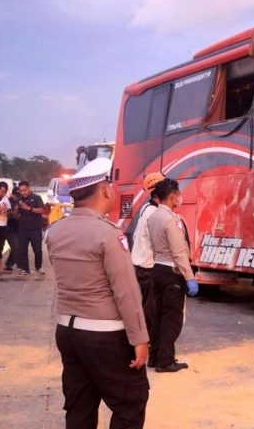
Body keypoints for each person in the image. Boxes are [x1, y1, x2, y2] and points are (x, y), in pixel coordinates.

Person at [46, 158, 150, 429]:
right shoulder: (108, 235)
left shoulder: (55, 231)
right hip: (105, 335)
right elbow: (126, 292)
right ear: (104, 190)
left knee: (80, 404)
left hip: (67, 331)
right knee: (130, 402)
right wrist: (139, 338)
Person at [147, 178, 198, 373]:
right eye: (178, 194)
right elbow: (178, 252)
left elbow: (153, 246)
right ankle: (165, 361)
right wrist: (189, 277)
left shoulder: (153, 217)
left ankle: (154, 357)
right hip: (172, 272)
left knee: (159, 315)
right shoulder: (172, 220)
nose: (180, 198)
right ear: (172, 195)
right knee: (172, 319)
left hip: (158, 268)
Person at [130, 172, 165, 354]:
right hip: (148, 268)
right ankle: (145, 343)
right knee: (149, 309)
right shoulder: (154, 213)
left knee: (143, 307)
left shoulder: (146, 209)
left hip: (140, 266)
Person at [16, 181, 46, 276]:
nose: (23, 192)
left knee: (37, 250)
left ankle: (39, 267)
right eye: (21, 191)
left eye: (25, 190)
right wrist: (16, 209)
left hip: (35, 228)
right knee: (22, 250)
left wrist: (29, 208)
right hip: (23, 229)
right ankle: (25, 269)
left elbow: (42, 210)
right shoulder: (19, 199)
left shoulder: (36, 198)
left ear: (29, 188)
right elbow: (16, 215)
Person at [4, 187, 21, 272]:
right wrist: (15, 211)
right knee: (16, 247)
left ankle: (9, 264)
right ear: (13, 194)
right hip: (9, 228)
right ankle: (20, 266)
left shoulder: (21, 201)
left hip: (18, 228)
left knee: (17, 247)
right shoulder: (8, 202)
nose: (18, 196)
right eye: (17, 194)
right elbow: (9, 216)